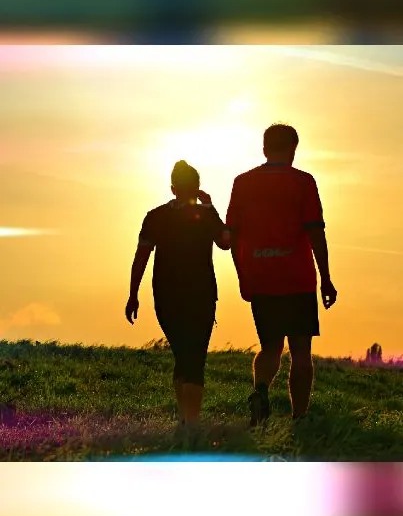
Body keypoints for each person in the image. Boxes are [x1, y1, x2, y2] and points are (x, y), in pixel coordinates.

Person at [226, 123, 337, 427]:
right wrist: (325, 277)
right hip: (298, 279)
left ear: (264, 148)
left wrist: (242, 275)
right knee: (301, 351)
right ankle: (299, 417)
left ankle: (261, 389)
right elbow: (316, 232)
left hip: (261, 278)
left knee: (270, 346)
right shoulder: (303, 182)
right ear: (293, 148)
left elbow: (232, 237)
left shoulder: (243, 182)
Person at [125, 160, 231, 431]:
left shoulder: (155, 216)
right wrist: (211, 208)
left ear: (173, 188)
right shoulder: (206, 215)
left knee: (183, 355)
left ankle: (186, 421)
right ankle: (191, 423)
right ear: (197, 187)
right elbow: (226, 242)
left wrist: (133, 294)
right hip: (202, 295)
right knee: (194, 356)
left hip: (166, 295)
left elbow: (141, 258)